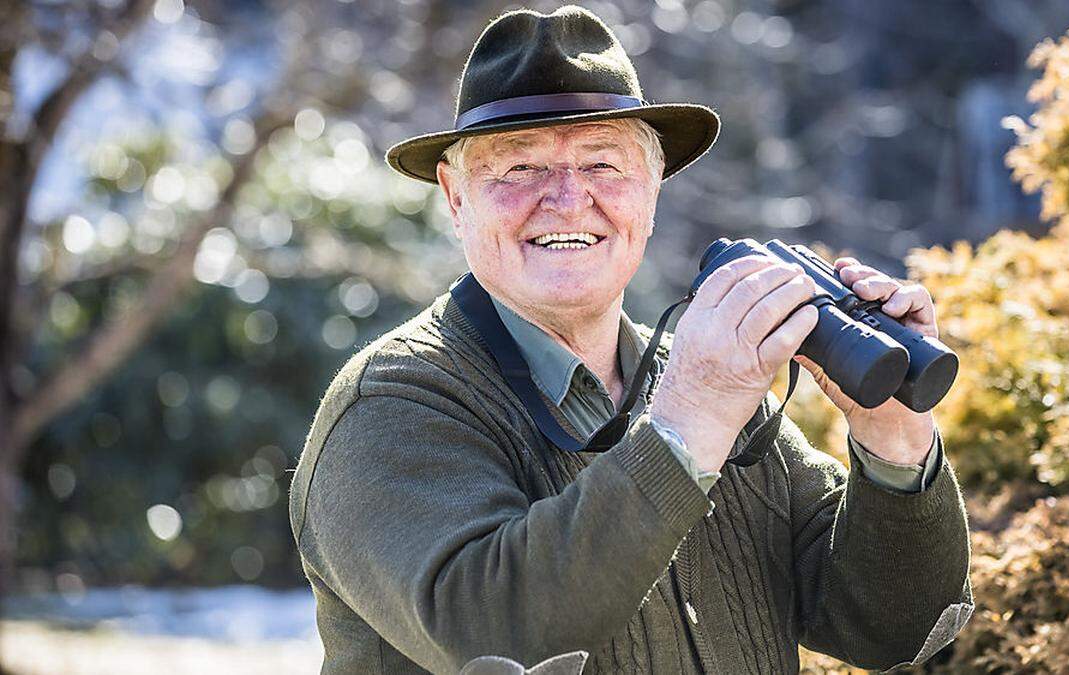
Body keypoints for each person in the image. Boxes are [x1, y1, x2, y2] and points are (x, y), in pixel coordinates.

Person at [289, 6, 973, 674]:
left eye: (603, 164)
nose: (566, 197)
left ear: (651, 191)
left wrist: (894, 439)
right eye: (519, 167)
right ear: (456, 194)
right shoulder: (390, 406)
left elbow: (896, 629)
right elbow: (497, 640)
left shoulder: (710, 388)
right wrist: (692, 417)